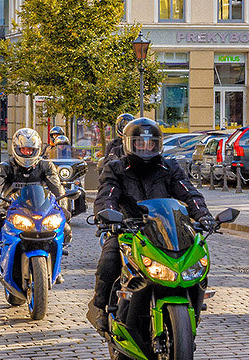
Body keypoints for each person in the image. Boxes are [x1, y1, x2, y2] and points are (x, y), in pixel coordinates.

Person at [88, 117, 209, 333]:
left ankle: (195, 303)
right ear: (129, 144)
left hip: (165, 230)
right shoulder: (116, 168)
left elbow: (189, 192)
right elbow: (107, 194)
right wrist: (108, 216)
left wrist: (202, 215)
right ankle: (101, 307)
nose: (145, 148)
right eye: (139, 143)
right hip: (129, 229)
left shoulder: (169, 167)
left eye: (150, 143)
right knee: (109, 257)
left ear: (157, 144)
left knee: (197, 257)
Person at [0, 127, 65, 285]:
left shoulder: (46, 166)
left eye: (30, 149)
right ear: (16, 149)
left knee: (65, 229)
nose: (26, 153)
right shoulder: (5, 167)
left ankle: (56, 266)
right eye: (23, 149)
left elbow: (58, 189)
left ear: (37, 150)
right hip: (11, 210)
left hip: (40, 210)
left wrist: (64, 207)